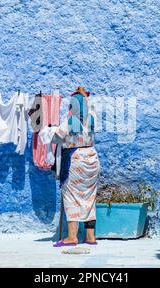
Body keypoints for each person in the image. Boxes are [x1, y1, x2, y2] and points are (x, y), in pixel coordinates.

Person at [52, 87, 101, 247]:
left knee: (71, 196)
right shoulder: (92, 118)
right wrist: (84, 95)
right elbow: (89, 105)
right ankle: (90, 237)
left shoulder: (71, 121)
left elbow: (56, 137)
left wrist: (49, 132)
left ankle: (72, 237)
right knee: (89, 197)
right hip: (92, 159)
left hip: (76, 160)